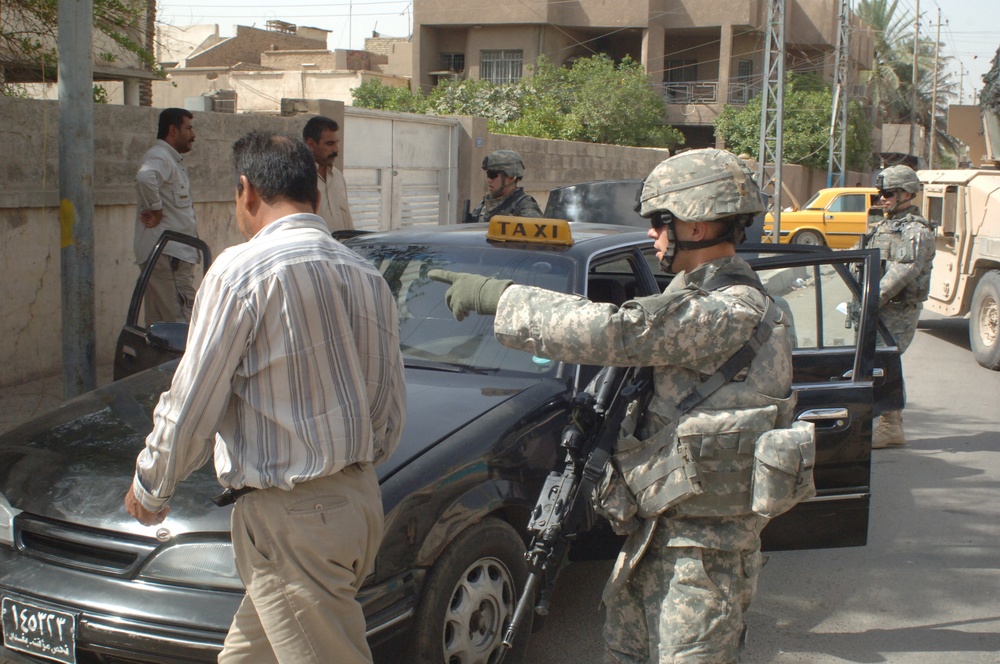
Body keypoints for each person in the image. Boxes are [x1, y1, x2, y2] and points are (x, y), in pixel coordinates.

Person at [432, 148, 805, 662]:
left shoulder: (731, 310)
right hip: (655, 531)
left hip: (705, 552)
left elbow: (617, 330)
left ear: (695, 226)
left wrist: (500, 296)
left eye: (659, 223)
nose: (652, 236)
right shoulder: (696, 300)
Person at [124, 131, 406, 664]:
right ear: (317, 197)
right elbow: (388, 412)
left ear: (245, 192)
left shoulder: (240, 271)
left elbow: (192, 401)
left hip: (293, 522)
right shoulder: (368, 276)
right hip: (357, 504)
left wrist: (151, 483)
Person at [868, 164, 935, 448]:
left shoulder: (915, 230)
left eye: (889, 193)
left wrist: (871, 297)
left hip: (898, 309)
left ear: (907, 193)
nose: (883, 198)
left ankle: (890, 426)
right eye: (881, 193)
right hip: (881, 306)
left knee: (886, 362)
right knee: (882, 363)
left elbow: (903, 271)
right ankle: (890, 423)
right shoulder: (886, 225)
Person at [134, 107, 199, 326]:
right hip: (169, 256)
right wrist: (156, 209)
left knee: (159, 326)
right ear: (173, 130)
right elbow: (145, 177)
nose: (193, 135)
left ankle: (157, 362)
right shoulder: (160, 156)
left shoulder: (170, 160)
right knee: (180, 324)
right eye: (188, 128)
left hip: (168, 256)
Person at [303, 115, 355, 233]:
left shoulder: (337, 176)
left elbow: (347, 220)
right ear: (311, 143)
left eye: (336, 143)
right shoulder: (299, 177)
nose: (336, 149)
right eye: (330, 144)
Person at [467, 149, 543, 223]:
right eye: (488, 174)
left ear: (511, 177)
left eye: (493, 175)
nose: (489, 180)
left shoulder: (525, 207)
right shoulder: (485, 204)